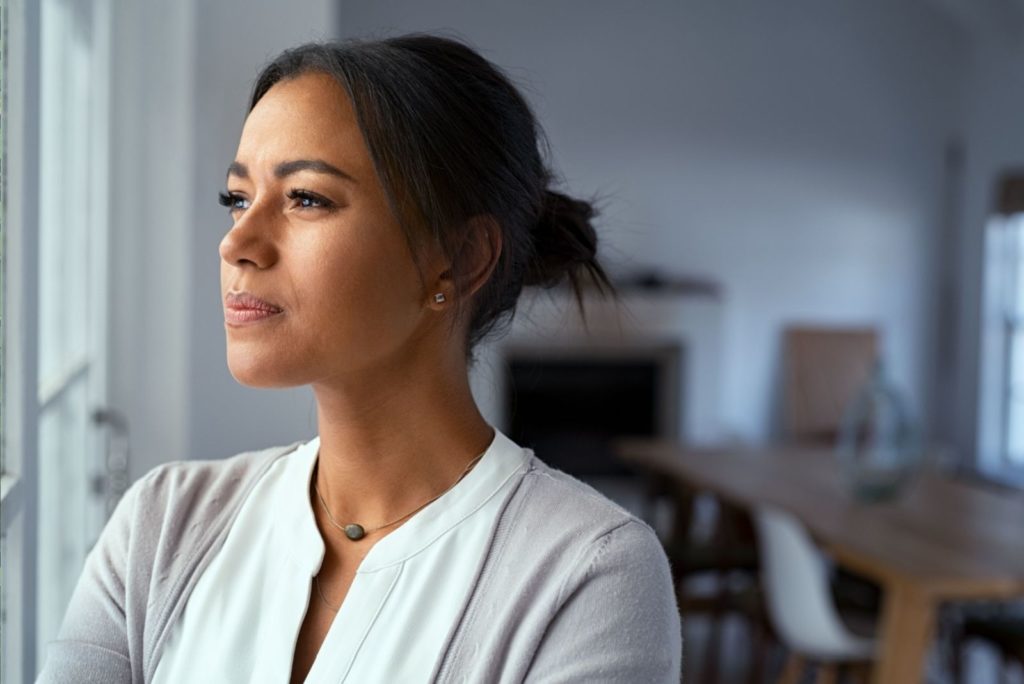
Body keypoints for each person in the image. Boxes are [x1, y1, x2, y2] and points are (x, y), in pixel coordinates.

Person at [38, 34, 682, 683]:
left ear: (459, 259)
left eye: (307, 198)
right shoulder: (162, 525)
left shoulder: (590, 576)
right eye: (237, 198)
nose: (238, 242)